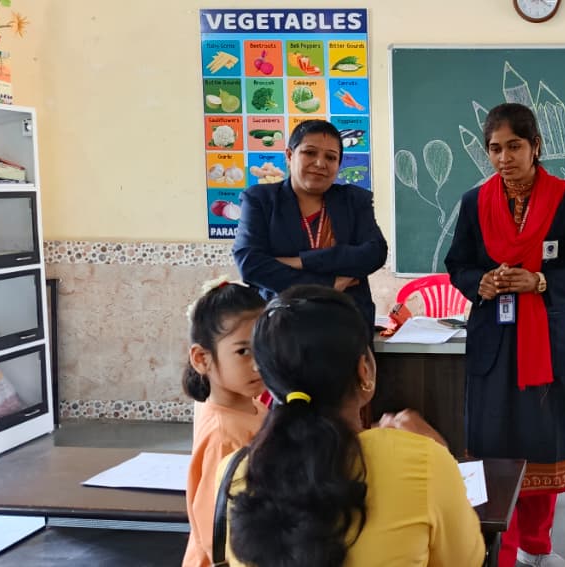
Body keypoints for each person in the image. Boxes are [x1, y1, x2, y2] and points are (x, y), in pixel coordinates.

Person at [444, 102, 565, 567]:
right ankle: (504, 551)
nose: (503, 158)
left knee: (542, 444)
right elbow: (458, 264)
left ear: (535, 146)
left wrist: (540, 281)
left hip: (546, 344)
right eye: (494, 148)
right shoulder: (474, 202)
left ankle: (537, 548)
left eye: (513, 146)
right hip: (492, 345)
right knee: (492, 449)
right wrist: (480, 283)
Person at [220, 285, 484, 567]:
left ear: (270, 382)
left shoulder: (234, 472)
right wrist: (441, 455)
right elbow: (465, 560)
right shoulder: (424, 461)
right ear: (364, 370)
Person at [232, 119, 388, 335]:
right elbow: (250, 264)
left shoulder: (354, 201)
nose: (320, 163)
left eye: (330, 157)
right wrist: (328, 284)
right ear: (289, 156)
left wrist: (302, 261)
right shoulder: (261, 200)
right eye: (310, 153)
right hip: (281, 328)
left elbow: (374, 253)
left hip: (347, 327)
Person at [180, 277, 268, 567]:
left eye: (263, 347)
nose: (259, 363)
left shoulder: (255, 408)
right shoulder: (223, 435)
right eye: (243, 351)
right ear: (201, 359)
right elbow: (216, 535)